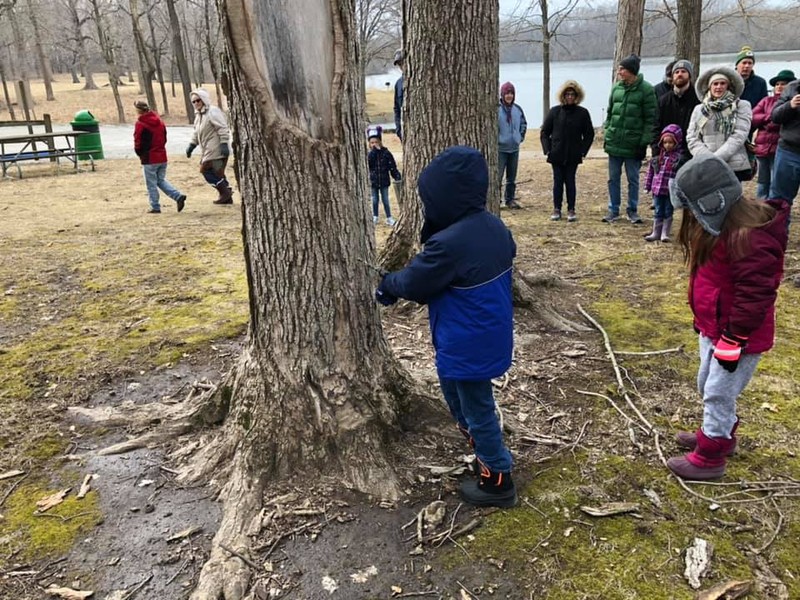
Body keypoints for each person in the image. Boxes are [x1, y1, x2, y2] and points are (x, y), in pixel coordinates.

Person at [375, 146, 517, 509]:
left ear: (446, 197)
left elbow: (416, 282)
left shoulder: (449, 244)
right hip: (484, 337)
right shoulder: (493, 227)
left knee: (476, 406)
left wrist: (387, 285)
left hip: (467, 344)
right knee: (460, 399)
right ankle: (483, 447)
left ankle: (497, 479)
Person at [666, 154, 789, 481]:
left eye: (692, 208)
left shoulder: (749, 237)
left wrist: (735, 337)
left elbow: (756, 294)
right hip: (715, 329)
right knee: (707, 384)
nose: (689, 216)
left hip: (738, 338)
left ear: (711, 202)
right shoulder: (718, 231)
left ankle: (710, 455)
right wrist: (705, 323)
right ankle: (720, 433)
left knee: (718, 392)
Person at [602, 54, 657, 224]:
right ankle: (613, 209)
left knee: (633, 179)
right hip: (614, 142)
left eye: (622, 68)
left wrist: (644, 140)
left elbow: (651, 118)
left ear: (631, 71)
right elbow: (610, 112)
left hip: (633, 144)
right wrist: (608, 129)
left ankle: (632, 210)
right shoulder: (616, 88)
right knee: (613, 178)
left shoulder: (647, 90)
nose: (619, 71)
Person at [540, 80, 594, 222]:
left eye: (572, 94)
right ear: (563, 96)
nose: (570, 97)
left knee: (570, 181)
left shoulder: (582, 113)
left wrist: (583, 151)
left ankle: (571, 209)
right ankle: (556, 208)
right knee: (557, 181)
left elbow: (589, 134)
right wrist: (547, 150)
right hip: (556, 153)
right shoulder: (555, 111)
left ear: (577, 96)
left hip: (573, 154)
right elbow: (545, 132)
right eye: (567, 94)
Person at [686, 66, 753, 181]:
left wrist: (717, 158)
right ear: (709, 86)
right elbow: (692, 137)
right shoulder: (700, 109)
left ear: (728, 86)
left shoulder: (741, 105)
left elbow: (739, 135)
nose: (719, 87)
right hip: (706, 164)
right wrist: (707, 158)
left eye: (722, 83)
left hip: (733, 165)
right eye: (715, 84)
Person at [133, 100, 186, 214]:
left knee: (151, 183)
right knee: (160, 180)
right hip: (162, 156)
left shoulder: (140, 124)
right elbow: (164, 138)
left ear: (138, 110)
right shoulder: (160, 122)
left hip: (149, 158)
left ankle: (155, 206)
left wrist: (140, 153)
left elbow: (138, 142)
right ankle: (177, 196)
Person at [751, 70, 795, 199]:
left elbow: (782, 123)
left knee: (776, 182)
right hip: (763, 148)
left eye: (784, 84)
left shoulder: (792, 103)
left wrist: (770, 120)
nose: (780, 87)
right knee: (762, 182)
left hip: (781, 149)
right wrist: (770, 117)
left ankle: (774, 209)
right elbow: (753, 117)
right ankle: (761, 208)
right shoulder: (766, 100)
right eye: (777, 84)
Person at [185, 89, 234, 205]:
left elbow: (222, 128)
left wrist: (224, 144)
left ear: (203, 100)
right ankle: (227, 197)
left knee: (205, 170)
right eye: (194, 102)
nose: (196, 103)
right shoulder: (199, 116)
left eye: (198, 100)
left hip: (216, 149)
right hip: (208, 149)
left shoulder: (212, 112)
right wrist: (191, 145)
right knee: (218, 173)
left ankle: (225, 192)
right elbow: (197, 133)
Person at [650, 59, 700, 163]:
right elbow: (655, 128)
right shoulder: (663, 101)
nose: (679, 74)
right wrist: (656, 153)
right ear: (672, 77)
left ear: (689, 75)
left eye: (683, 71)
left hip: (691, 155)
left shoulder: (698, 100)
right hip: (666, 154)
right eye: (676, 72)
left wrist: (687, 154)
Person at [643, 124, 682, 242]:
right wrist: (647, 186)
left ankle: (665, 233)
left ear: (676, 142)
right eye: (665, 142)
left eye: (671, 142)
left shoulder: (678, 159)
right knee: (658, 210)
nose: (667, 145)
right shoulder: (657, 158)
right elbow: (650, 173)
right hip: (657, 190)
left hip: (670, 191)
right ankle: (656, 232)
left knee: (668, 211)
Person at [769, 76, 800, 208]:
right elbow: (775, 116)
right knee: (779, 200)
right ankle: (777, 228)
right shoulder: (792, 87)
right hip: (789, 152)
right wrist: (790, 105)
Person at [498, 81, 527, 209]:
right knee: (497, 177)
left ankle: (509, 199)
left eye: (511, 93)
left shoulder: (517, 109)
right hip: (500, 149)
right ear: (502, 94)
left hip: (514, 148)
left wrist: (519, 137)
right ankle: (496, 200)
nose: (509, 96)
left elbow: (523, 124)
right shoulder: (497, 109)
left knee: (511, 178)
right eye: (507, 93)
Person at [366, 125, 401, 226]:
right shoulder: (369, 154)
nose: (374, 144)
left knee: (385, 199)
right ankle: (375, 216)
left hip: (384, 181)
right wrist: (373, 152)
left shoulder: (386, 153)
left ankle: (389, 217)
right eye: (372, 142)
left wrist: (396, 175)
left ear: (380, 142)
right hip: (373, 181)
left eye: (376, 142)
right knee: (375, 199)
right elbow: (368, 164)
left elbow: (392, 166)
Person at [392, 49, 404, 141]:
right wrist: (398, 129)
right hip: (404, 130)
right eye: (399, 64)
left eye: (403, 62)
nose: (402, 66)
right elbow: (396, 108)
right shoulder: (398, 83)